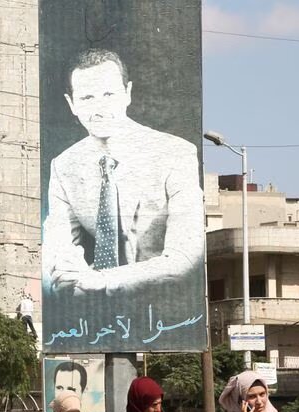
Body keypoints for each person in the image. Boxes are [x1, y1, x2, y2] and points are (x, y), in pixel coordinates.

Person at [42, 48, 204, 300]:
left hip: (164, 305)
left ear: (127, 94)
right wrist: (65, 271)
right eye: (86, 98)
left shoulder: (176, 154)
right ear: (71, 104)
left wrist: (103, 280)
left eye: (108, 94)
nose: (99, 109)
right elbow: (57, 247)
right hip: (94, 313)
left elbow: (185, 256)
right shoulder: (64, 166)